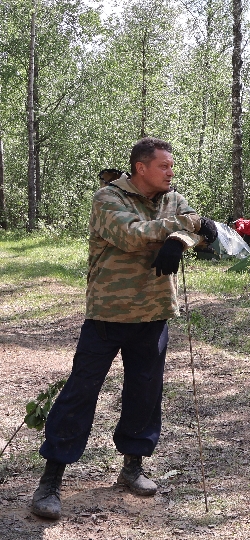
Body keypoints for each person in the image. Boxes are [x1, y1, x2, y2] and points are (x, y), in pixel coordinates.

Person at [31, 137, 218, 520]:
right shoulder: (107, 197)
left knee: (145, 392)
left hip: (154, 313)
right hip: (108, 313)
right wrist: (188, 227)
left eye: (171, 166)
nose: (171, 172)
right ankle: (51, 478)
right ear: (141, 168)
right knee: (81, 392)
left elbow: (203, 234)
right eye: (164, 166)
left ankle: (133, 464)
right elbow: (130, 235)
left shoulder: (172, 199)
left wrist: (180, 238)